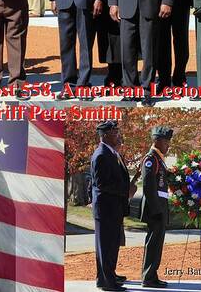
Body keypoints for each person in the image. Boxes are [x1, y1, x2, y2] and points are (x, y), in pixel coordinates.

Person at [90, 120, 129, 292]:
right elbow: (101, 184)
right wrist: (125, 190)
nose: (117, 135)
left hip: (113, 208)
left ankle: (108, 275)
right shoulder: (101, 155)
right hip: (106, 209)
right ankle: (107, 282)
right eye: (114, 133)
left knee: (112, 245)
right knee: (106, 246)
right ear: (105, 135)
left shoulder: (111, 153)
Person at [140, 126, 173, 288]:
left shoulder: (159, 159)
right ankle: (148, 277)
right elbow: (148, 186)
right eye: (166, 142)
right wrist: (156, 210)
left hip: (160, 206)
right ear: (156, 141)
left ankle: (152, 275)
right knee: (153, 242)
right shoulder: (151, 159)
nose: (168, 146)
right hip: (155, 208)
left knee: (157, 242)